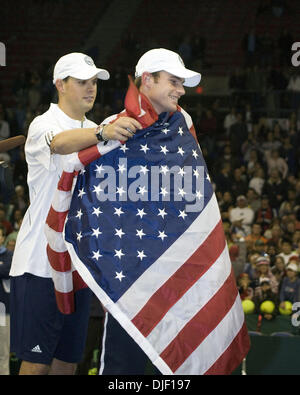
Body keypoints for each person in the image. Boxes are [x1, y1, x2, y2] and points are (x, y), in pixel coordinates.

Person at [9, 52, 142, 375]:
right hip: (40, 263)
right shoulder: (45, 124)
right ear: (60, 85)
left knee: (67, 364)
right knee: (36, 364)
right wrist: (104, 133)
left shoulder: (98, 128)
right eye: (82, 82)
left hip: (80, 264)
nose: (90, 89)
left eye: (94, 82)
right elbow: (61, 144)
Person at [98, 48, 204, 375]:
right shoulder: (114, 127)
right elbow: (97, 206)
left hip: (173, 266)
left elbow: (194, 191)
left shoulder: (184, 122)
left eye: (182, 83)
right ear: (147, 80)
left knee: (172, 366)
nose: (181, 90)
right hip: (129, 272)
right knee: (122, 368)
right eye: (174, 81)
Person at [0, 225, 13, 375]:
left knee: (3, 350)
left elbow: (6, 271)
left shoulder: (9, 255)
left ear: (3, 238)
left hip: (2, 309)